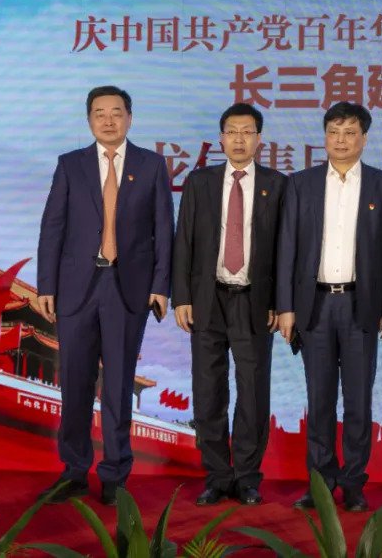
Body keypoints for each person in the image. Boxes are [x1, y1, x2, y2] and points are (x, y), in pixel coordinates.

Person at [36, 86, 173, 505]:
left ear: (130, 118)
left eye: (117, 112)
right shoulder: (70, 165)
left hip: (127, 288)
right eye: (100, 113)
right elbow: (52, 227)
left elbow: (164, 229)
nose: (109, 120)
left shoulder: (151, 165)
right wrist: (46, 286)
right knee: (74, 382)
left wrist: (160, 286)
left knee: (118, 384)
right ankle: (74, 471)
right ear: (89, 120)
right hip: (76, 288)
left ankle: (115, 474)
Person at [276, 102, 382, 513]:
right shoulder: (301, 184)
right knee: (320, 399)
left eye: (350, 132)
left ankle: (354, 483)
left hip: (361, 306)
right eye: (334, 132)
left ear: (364, 138)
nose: (341, 140)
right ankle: (321, 484)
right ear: (324, 137)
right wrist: (286, 307)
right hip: (315, 305)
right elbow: (287, 248)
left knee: (358, 402)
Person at [171, 102, 286, 506]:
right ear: (221, 139)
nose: (239, 139)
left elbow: (285, 249)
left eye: (247, 132)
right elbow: (184, 241)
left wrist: (279, 301)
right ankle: (218, 476)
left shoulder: (277, 184)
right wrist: (181, 297)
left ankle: (248, 477)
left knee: (253, 391)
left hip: (255, 300)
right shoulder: (199, 182)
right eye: (232, 132)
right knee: (208, 390)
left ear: (259, 139)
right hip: (207, 298)